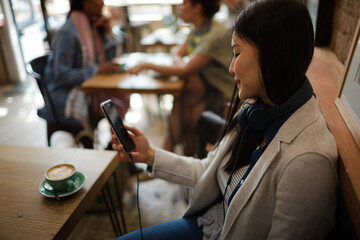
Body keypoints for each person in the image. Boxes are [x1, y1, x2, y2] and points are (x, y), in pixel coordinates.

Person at [113, 0, 339, 239]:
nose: (231, 68)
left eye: (237, 53)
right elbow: (206, 170)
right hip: (209, 224)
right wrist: (149, 155)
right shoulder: (257, 109)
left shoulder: (308, 162)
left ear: (273, 55)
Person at [128, 0, 234, 156]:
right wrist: (189, 72)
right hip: (205, 86)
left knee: (186, 112)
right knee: (181, 103)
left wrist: (147, 65)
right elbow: (178, 53)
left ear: (197, 7)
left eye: (184, 3)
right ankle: (168, 153)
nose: (179, 7)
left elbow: (184, 68)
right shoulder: (198, 28)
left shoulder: (215, 34)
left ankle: (167, 153)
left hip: (223, 91)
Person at [44, 0, 130, 131]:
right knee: (115, 106)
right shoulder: (67, 33)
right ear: (85, 3)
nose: (102, 3)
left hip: (88, 90)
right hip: (67, 96)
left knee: (124, 96)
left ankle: (114, 144)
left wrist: (108, 30)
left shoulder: (91, 27)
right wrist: (97, 69)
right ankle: (114, 145)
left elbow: (109, 59)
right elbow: (62, 75)